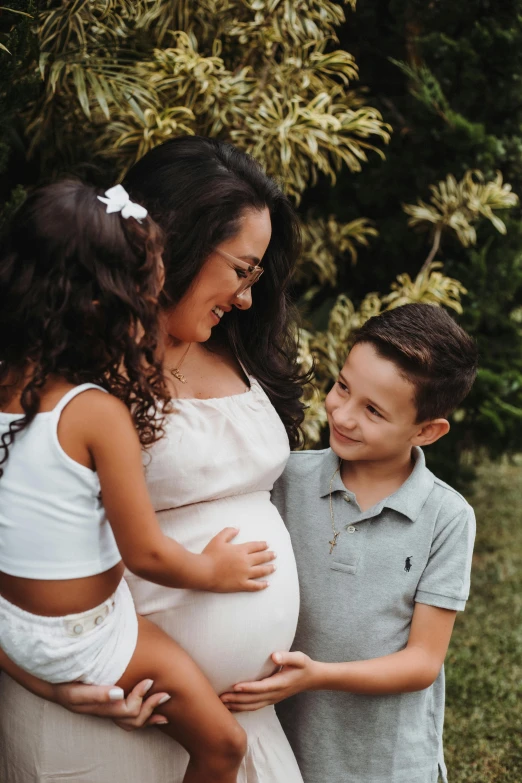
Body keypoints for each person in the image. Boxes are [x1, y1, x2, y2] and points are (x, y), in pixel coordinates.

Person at [0, 137, 306, 783]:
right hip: (105, 717)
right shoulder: (65, 382)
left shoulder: (238, 347)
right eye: (241, 270)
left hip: (233, 728)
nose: (248, 296)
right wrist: (41, 674)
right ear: (179, 244)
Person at [221, 303, 478, 783]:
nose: (342, 413)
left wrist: (318, 675)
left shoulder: (447, 517)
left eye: (373, 411)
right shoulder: (285, 477)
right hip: (287, 748)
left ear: (427, 430)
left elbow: (422, 662)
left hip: (389, 762)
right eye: (342, 386)